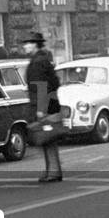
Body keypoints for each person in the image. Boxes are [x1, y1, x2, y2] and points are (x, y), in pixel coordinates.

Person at [23, 32, 63, 182]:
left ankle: (53, 172)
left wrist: (41, 109)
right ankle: (53, 171)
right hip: (51, 105)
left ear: (35, 45)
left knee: (47, 138)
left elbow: (41, 87)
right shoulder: (44, 59)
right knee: (48, 139)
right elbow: (55, 83)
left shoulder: (37, 62)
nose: (25, 46)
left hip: (44, 107)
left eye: (28, 43)